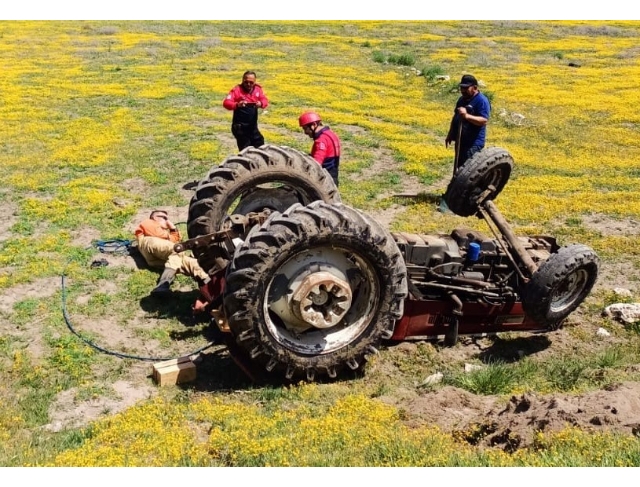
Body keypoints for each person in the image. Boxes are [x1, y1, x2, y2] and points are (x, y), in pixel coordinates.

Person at [134, 210, 210, 295]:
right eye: (164, 218)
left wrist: (173, 229)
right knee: (177, 250)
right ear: (155, 217)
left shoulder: (164, 233)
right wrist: (171, 231)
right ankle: (164, 283)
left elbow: (174, 242)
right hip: (149, 243)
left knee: (192, 263)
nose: (167, 220)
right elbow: (160, 235)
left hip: (157, 259)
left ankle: (209, 284)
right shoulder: (149, 222)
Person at [445, 74, 491, 170]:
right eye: (462, 87)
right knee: (459, 168)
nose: (462, 90)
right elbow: (456, 117)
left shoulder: (482, 101)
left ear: (474, 87)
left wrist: (466, 116)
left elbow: (483, 121)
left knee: (468, 171)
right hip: (461, 140)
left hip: (473, 144)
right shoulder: (462, 99)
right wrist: (451, 133)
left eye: (466, 88)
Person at [223, 71, 269, 151]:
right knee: (246, 148)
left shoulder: (257, 89)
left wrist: (260, 103)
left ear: (254, 82)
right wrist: (237, 105)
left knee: (259, 143)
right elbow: (226, 103)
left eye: (251, 82)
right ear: (242, 80)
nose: (248, 84)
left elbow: (264, 100)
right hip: (240, 127)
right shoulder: (237, 90)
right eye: (246, 82)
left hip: (252, 126)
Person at [299, 111, 341, 186]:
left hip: (325, 179)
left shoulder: (321, 140)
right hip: (333, 175)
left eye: (305, 128)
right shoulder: (331, 134)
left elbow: (316, 164)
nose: (305, 132)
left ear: (314, 125)